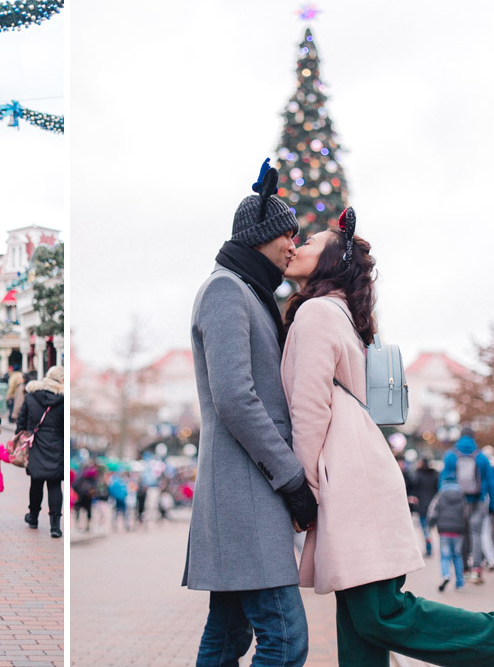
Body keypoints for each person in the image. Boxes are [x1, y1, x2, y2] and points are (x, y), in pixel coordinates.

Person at [281, 206, 494, 665]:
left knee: (378, 615)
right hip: (358, 471)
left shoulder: (316, 313)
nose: (297, 245)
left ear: (332, 261)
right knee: (358, 623)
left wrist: (303, 493)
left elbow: (308, 410)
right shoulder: (338, 313)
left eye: (309, 242)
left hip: (351, 480)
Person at [183, 160, 316, 667]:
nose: (293, 246)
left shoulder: (248, 292)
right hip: (246, 493)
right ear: (261, 234)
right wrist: (292, 480)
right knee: (284, 639)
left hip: (246, 493)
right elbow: (235, 398)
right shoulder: (226, 290)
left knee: (226, 640)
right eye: (287, 234)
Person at [439, 426, 494, 583]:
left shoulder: (451, 455)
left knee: (463, 534)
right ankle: (477, 571)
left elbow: (443, 480)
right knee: (476, 533)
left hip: (458, 502)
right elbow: (491, 482)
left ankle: (464, 569)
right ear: (473, 437)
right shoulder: (481, 457)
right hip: (478, 500)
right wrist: (493, 504)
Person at [17, 365, 65, 538]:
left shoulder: (31, 396)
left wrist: (22, 436)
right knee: (54, 484)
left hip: (36, 443)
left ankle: (34, 517)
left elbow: (21, 421)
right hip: (57, 444)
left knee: (36, 482)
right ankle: (55, 525)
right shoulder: (63, 399)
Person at [427, 471, 468, 591]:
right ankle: (460, 582)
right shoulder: (461, 495)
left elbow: (433, 511)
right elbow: (466, 513)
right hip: (458, 531)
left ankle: (446, 575)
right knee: (457, 555)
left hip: (444, 530)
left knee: (445, 556)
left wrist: (431, 525)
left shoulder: (440, 494)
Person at [409, 456, 440, 556]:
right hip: (432, 505)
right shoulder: (435, 474)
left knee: (424, 527)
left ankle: (428, 546)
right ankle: (429, 543)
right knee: (430, 527)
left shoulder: (417, 475)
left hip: (422, 505)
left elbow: (414, 489)